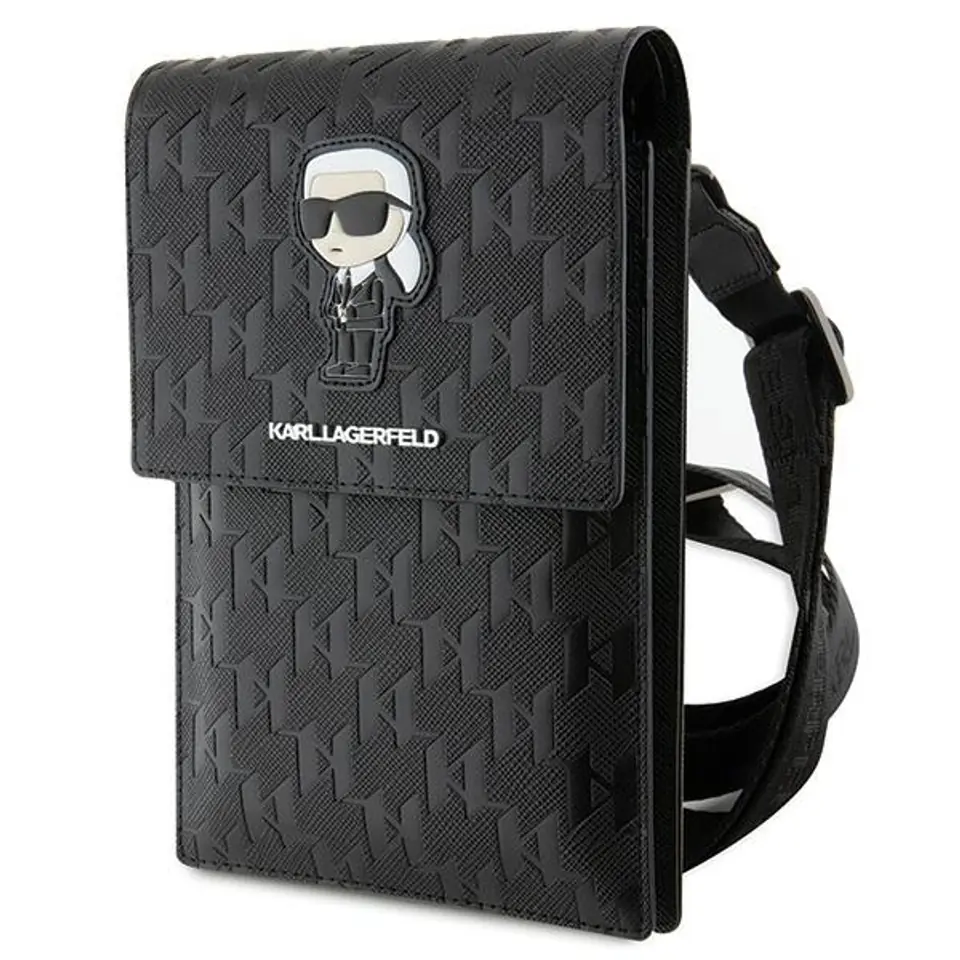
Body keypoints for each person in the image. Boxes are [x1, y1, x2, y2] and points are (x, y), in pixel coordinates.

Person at [299, 142, 428, 386]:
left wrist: (354, 311)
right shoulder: (340, 277)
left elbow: (375, 303)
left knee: (361, 345)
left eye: (361, 214)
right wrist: (333, 311)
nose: (334, 231)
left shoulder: (377, 277)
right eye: (317, 215)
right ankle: (342, 363)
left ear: (402, 214)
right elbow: (335, 298)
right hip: (343, 322)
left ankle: (361, 365)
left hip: (365, 323)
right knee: (343, 344)